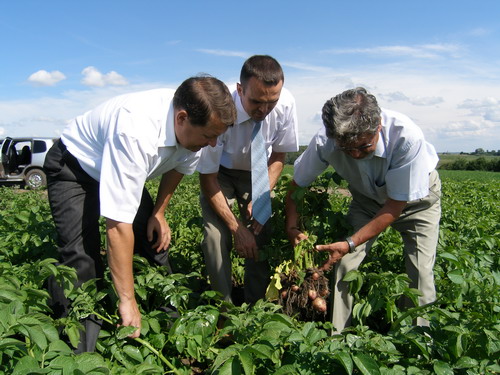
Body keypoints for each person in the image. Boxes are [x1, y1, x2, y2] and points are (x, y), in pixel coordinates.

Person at [43, 76, 236, 352]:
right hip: (75, 168)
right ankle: (77, 354)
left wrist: (159, 212)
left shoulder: (196, 129)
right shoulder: (135, 130)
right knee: (80, 258)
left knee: (153, 240)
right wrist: (127, 299)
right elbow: (118, 226)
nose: (214, 144)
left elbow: (179, 168)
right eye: (209, 136)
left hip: (118, 164)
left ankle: (174, 336)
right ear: (181, 118)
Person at [286, 87, 441, 333]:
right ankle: (338, 339)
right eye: (347, 149)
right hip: (367, 202)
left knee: (420, 275)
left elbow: (394, 207)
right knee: (345, 267)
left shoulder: (406, 137)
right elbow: (296, 186)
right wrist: (292, 226)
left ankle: (419, 343)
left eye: (363, 146)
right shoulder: (325, 142)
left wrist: (349, 242)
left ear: (378, 125)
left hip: (416, 204)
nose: (355, 155)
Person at [197, 55, 299, 304]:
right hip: (220, 174)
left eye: (271, 102)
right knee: (216, 237)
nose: (264, 110)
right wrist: (236, 229)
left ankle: (256, 308)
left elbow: (278, 155)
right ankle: (224, 309)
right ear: (240, 89)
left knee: (261, 234)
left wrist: (263, 192)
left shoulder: (285, 104)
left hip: (259, 172)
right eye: (256, 101)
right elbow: (207, 176)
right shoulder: (220, 108)